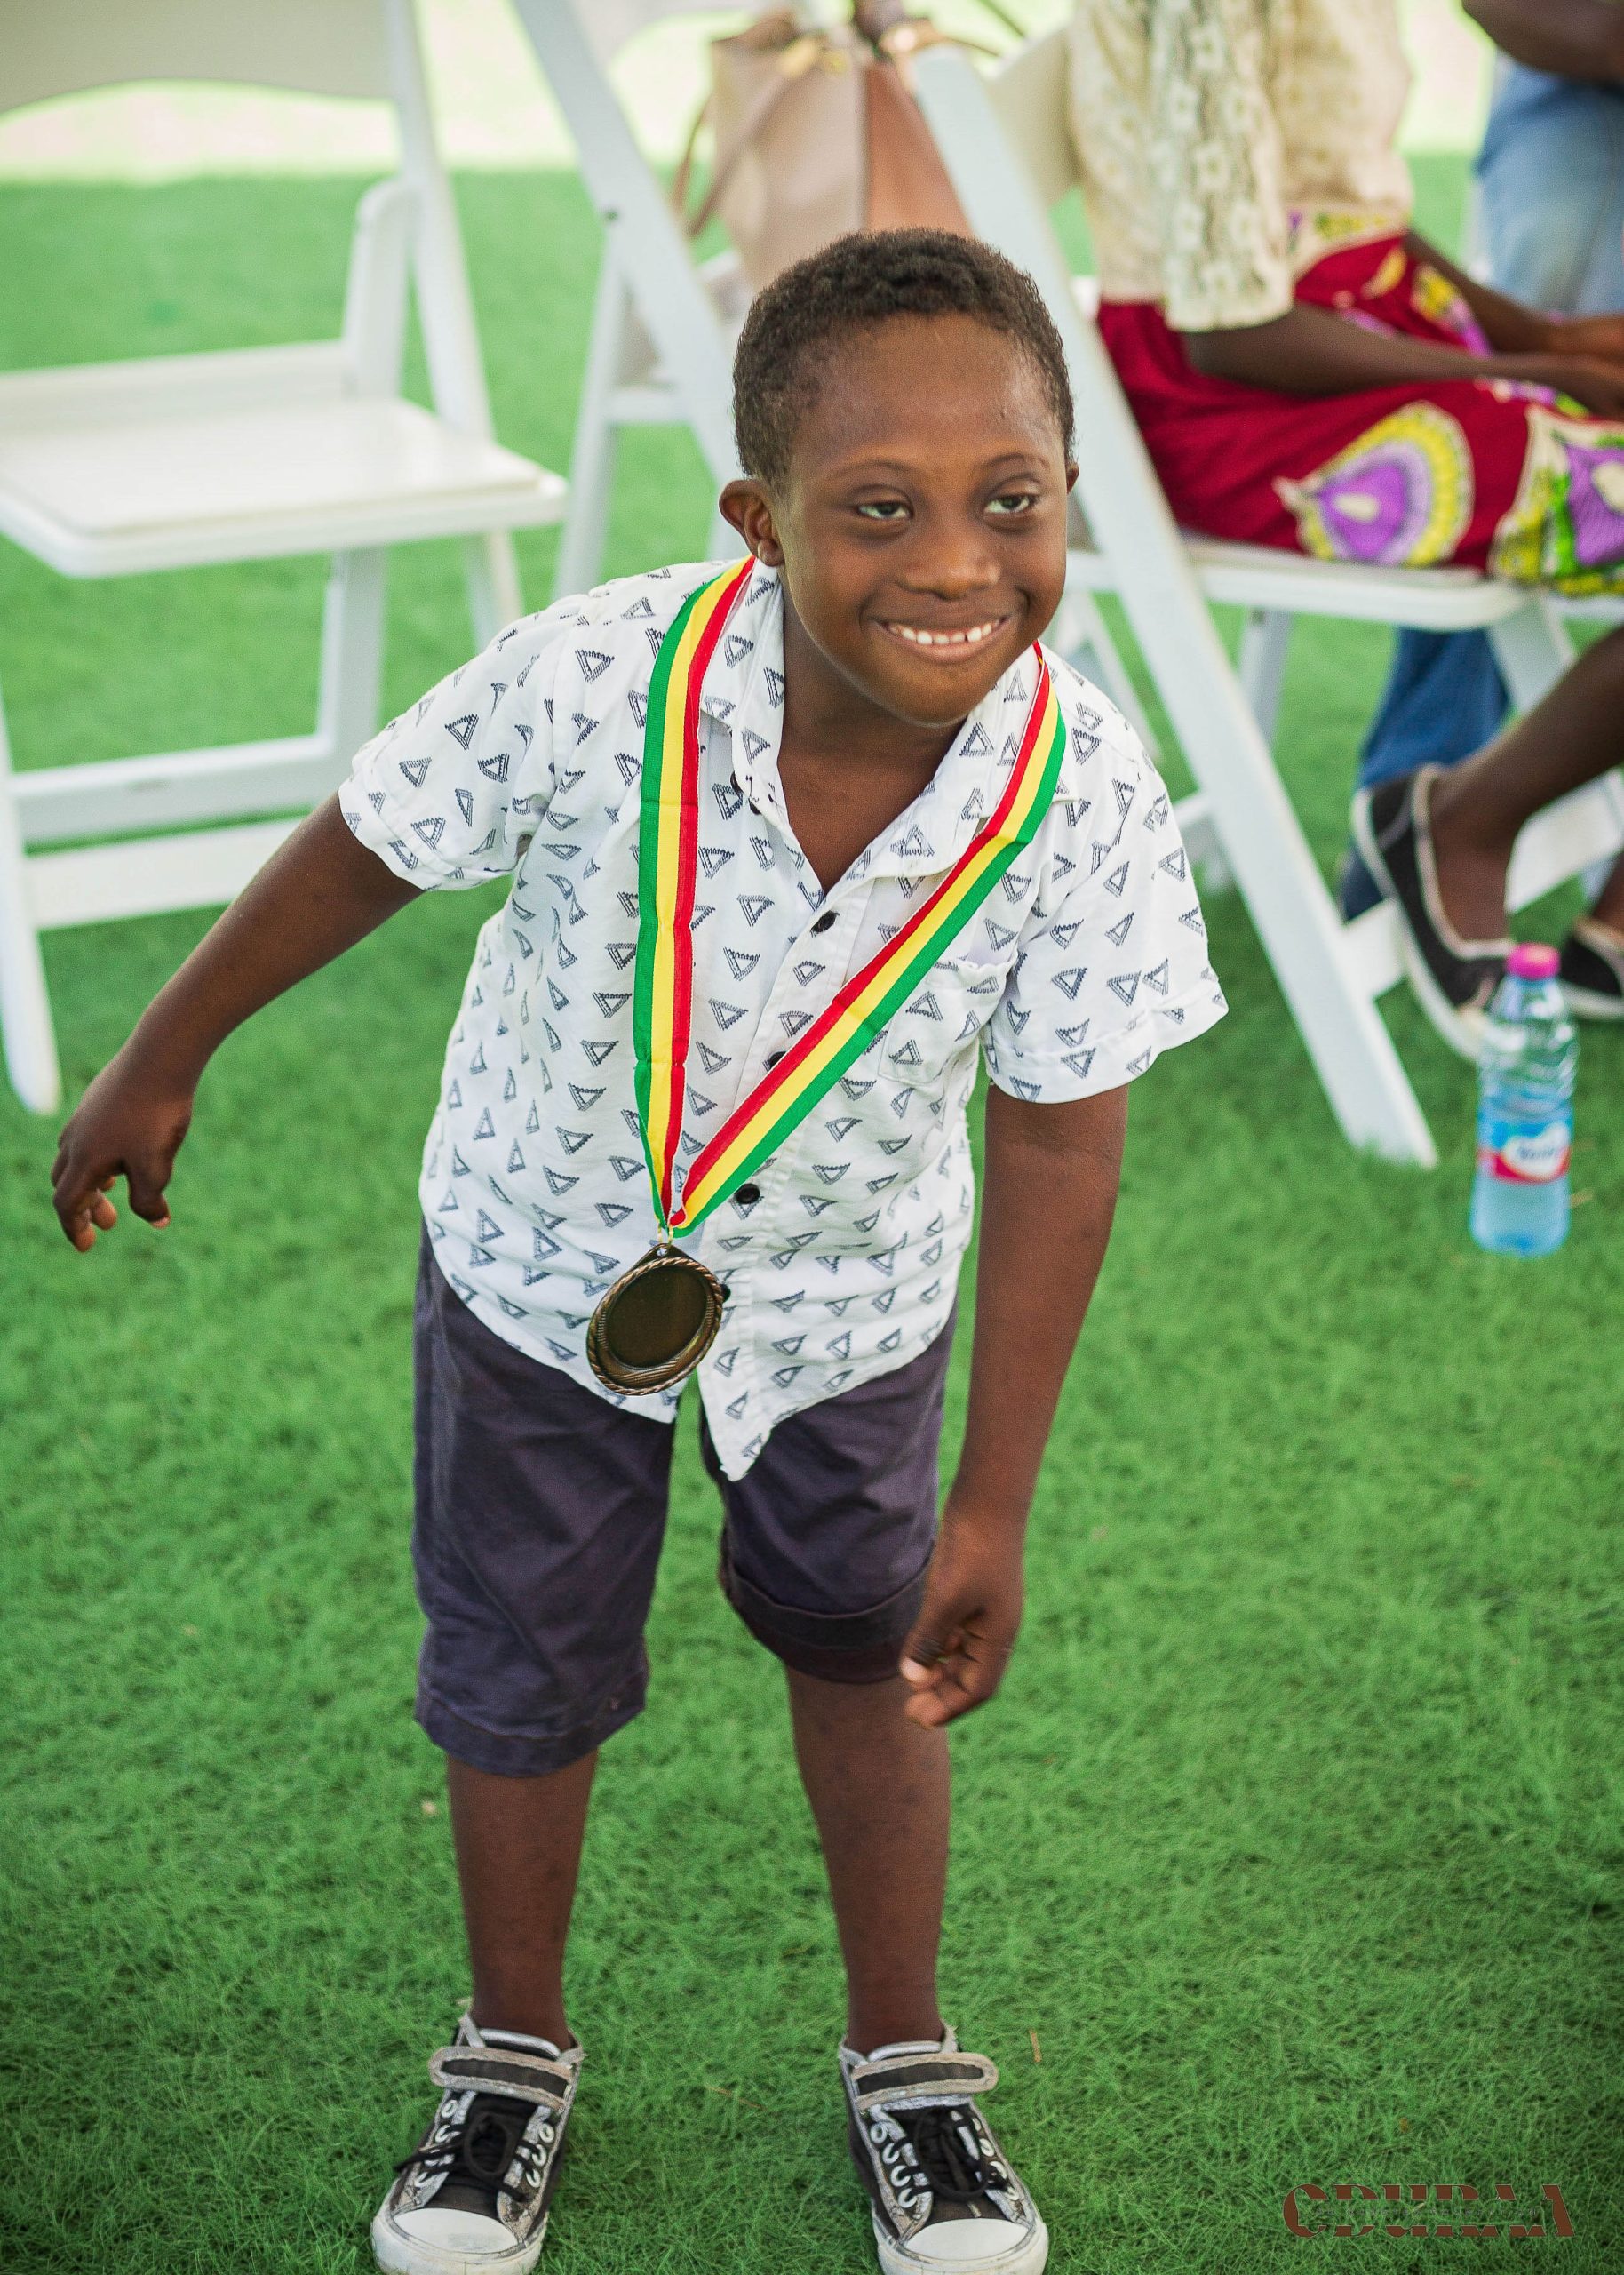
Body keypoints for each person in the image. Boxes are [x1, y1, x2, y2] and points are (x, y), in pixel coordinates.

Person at [50, 231, 1227, 2275]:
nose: (957, 562)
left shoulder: (1087, 793)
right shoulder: (596, 679)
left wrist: (996, 1499)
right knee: (521, 1667)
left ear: (1066, 493)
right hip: (537, 1261)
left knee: (866, 1655)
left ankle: (905, 2056)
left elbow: (1059, 1139)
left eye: (1010, 498)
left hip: (850, 1306)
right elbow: (374, 832)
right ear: (757, 522)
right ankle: (510, 2050)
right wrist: (167, 1045)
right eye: (878, 508)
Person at [1066, 0, 1624, 1050]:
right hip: (1244, 407)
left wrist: (1544, 338)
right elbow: (1229, 331)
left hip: (1360, 334)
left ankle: (1529, 860)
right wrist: (1534, 369)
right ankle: (1459, 819)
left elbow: (1357, 218)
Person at [1353, 0, 1624, 1019]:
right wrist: (1538, 358)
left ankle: (1464, 822)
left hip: (1345, 303)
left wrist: (1536, 353)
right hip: (1586, 75)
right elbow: (1251, 311)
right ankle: (1438, 797)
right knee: (1551, 275)